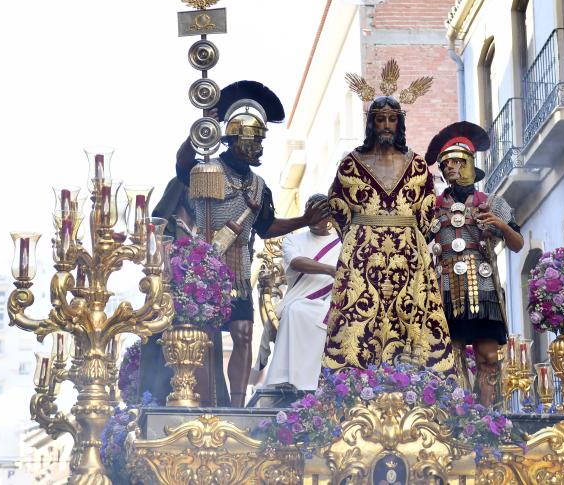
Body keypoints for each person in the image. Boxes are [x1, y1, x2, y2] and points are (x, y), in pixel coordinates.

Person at [143, 80, 330, 408]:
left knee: (244, 334)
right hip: (207, 269)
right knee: (209, 340)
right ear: (236, 139)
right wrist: (202, 128)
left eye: (261, 139)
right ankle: (211, 398)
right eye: (254, 139)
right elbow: (181, 162)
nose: (259, 146)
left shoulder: (258, 185)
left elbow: (268, 226)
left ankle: (238, 404)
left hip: (240, 269)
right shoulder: (207, 168)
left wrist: (303, 219)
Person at [322, 61, 454, 375]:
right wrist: (358, 239)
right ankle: (354, 382)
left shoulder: (418, 164)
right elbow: (338, 206)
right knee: (359, 322)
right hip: (363, 254)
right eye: (380, 119)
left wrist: (410, 240)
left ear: (400, 124)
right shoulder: (351, 164)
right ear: (371, 124)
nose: (386, 125)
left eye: (392, 120)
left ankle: (417, 382)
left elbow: (426, 212)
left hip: (408, 253)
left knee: (412, 319)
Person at [424, 122, 524, 407]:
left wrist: (501, 225)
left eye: (457, 161)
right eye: (446, 164)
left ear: (470, 163)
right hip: (445, 286)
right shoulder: (432, 207)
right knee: (452, 358)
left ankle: (489, 415)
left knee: (488, 356)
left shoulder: (492, 202)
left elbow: (518, 244)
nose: (451, 168)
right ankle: (458, 419)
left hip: (483, 286)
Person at [264, 194, 340, 390]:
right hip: (297, 299)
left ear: (330, 216)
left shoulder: (341, 244)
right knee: (296, 310)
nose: (316, 217)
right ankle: (286, 379)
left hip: (329, 302)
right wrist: (330, 270)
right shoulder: (292, 239)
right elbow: (297, 262)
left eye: (321, 213)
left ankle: (314, 382)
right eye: (311, 211)